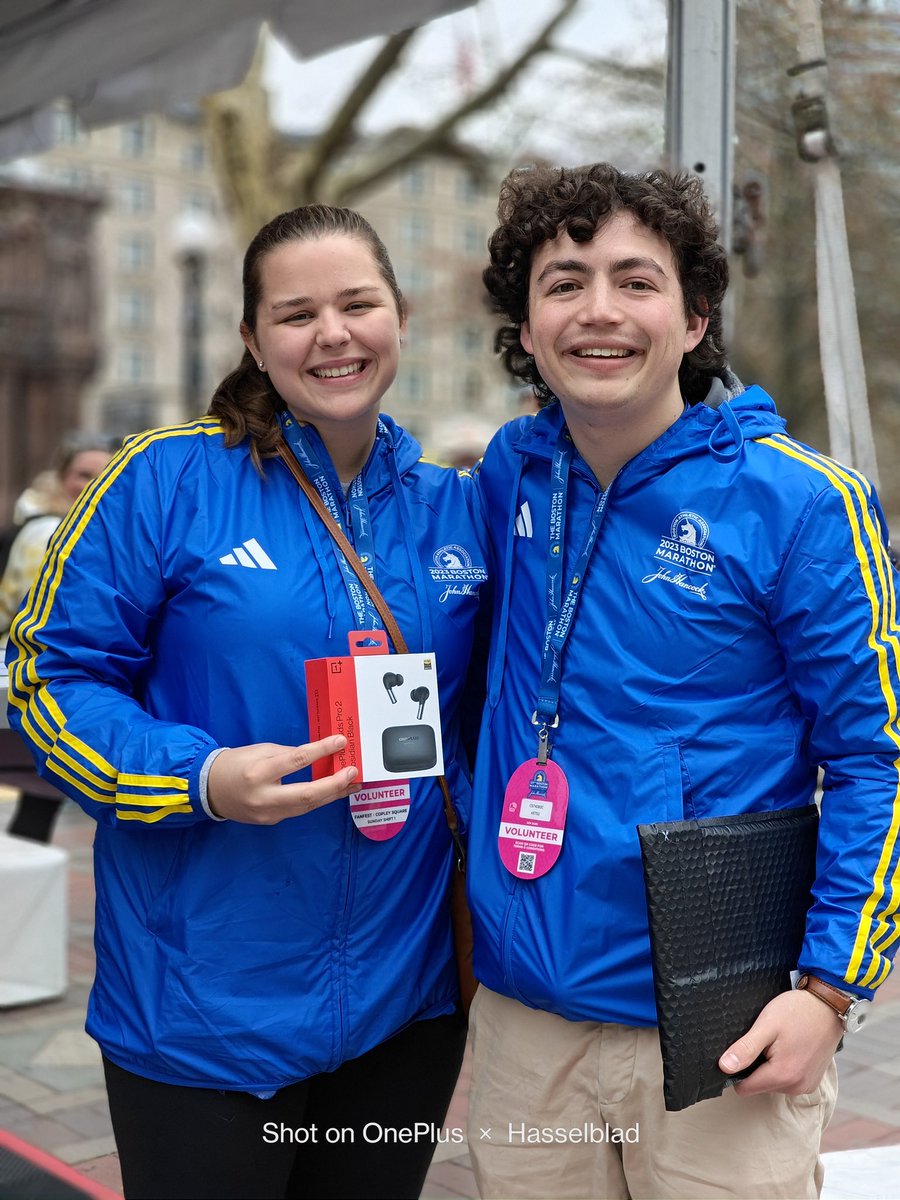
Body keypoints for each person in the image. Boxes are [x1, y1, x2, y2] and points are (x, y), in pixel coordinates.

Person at [6, 204, 488, 1200]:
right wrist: (203, 776)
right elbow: (49, 680)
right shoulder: (162, 481)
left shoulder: (455, 508)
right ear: (253, 339)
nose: (332, 334)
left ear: (398, 315)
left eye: (358, 303)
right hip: (200, 1018)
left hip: (406, 1014)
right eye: (296, 312)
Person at [465, 162, 900, 1199]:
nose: (599, 311)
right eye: (564, 283)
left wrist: (832, 994)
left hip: (724, 1025)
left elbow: (878, 759)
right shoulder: (508, 476)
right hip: (527, 1023)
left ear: (696, 317)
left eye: (636, 280)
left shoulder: (799, 503)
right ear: (525, 327)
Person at [0, 433, 113, 842]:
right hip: (33, 673)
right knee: (38, 792)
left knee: (40, 798)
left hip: (51, 673)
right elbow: (46, 615)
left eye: (102, 473)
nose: (90, 483)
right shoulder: (49, 532)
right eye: (82, 474)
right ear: (62, 477)